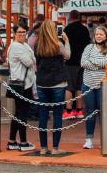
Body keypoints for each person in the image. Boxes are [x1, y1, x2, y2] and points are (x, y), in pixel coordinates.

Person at [34, 20, 71, 155]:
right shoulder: (58, 44)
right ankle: (55, 148)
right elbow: (67, 55)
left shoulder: (38, 44)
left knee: (43, 115)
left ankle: (43, 147)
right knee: (57, 116)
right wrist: (66, 41)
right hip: (57, 82)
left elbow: (37, 62)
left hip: (42, 82)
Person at [80, 26, 107, 149]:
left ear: (106, 36)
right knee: (90, 112)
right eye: (97, 34)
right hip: (88, 84)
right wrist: (99, 64)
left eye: (101, 34)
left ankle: (104, 139)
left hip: (104, 86)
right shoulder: (88, 48)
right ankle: (89, 139)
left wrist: (92, 62)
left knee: (104, 113)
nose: (98, 36)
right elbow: (83, 63)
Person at [5, 24, 36, 152]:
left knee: (18, 113)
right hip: (21, 84)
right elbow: (30, 62)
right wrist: (31, 58)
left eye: (24, 32)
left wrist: (30, 58)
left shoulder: (24, 45)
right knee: (22, 113)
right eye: (19, 32)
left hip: (23, 83)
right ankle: (23, 142)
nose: (22, 34)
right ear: (14, 33)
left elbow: (31, 59)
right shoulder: (17, 46)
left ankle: (12, 141)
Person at [63, 10, 91, 120]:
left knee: (69, 87)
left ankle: (69, 111)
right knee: (79, 86)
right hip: (82, 61)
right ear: (79, 17)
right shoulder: (85, 29)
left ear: (70, 17)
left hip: (70, 61)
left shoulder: (67, 29)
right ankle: (79, 110)